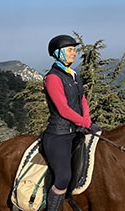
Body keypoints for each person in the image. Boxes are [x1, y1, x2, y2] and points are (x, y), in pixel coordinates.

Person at [43, 34, 100, 211]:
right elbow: (63, 109)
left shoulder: (74, 75)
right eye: (70, 50)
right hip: (58, 135)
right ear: (58, 53)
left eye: (74, 50)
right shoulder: (53, 78)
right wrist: (86, 123)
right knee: (63, 177)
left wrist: (87, 121)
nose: (74, 53)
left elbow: (82, 99)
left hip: (76, 130)